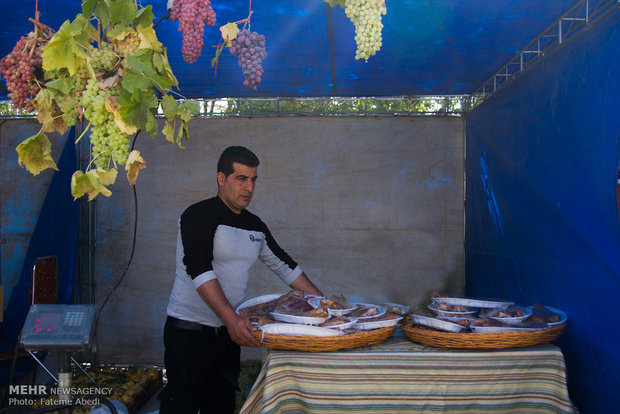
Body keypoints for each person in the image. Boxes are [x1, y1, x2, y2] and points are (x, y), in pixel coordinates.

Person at [158, 146, 323, 414]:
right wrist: (231, 318)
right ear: (221, 178)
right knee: (181, 407)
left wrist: (323, 305)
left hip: (228, 337)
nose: (249, 187)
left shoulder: (255, 225)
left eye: (253, 179)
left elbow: (284, 265)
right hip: (188, 334)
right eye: (241, 178)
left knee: (222, 406)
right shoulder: (197, 215)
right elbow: (198, 267)